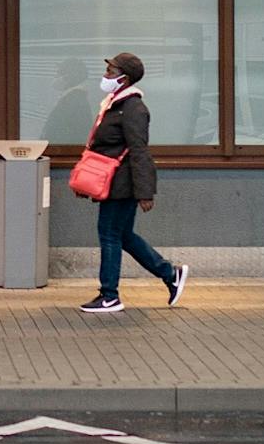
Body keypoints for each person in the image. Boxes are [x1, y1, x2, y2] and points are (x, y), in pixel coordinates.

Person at [76, 51, 189, 315]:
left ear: (124, 79)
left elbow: (139, 151)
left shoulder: (133, 108)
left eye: (111, 72)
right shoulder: (115, 103)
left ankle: (109, 296)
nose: (105, 76)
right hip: (113, 181)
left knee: (109, 234)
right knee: (122, 235)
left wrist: (145, 192)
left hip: (122, 184)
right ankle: (170, 274)